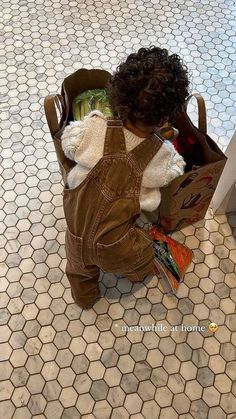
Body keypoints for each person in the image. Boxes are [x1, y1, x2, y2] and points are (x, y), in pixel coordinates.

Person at [61, 46, 189, 309]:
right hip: (115, 246)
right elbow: (176, 169)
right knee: (140, 255)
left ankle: (84, 299)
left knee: (79, 270)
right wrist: (169, 146)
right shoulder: (160, 156)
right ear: (165, 116)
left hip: (76, 229)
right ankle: (135, 274)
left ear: (117, 95)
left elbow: (68, 143)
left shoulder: (94, 125)